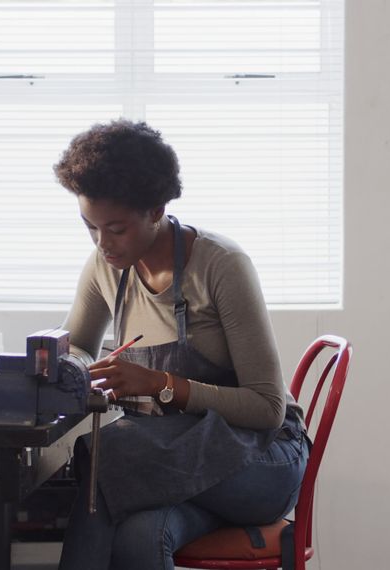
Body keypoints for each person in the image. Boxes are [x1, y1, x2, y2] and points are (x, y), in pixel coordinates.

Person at [54, 119, 309, 570]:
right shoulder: (104, 265)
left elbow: (267, 408)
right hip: (175, 465)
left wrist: (159, 384)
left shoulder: (221, 266)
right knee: (138, 537)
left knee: (108, 454)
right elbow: (76, 347)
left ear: (156, 209)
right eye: (89, 226)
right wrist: (73, 367)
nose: (101, 243)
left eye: (115, 229)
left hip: (261, 460)